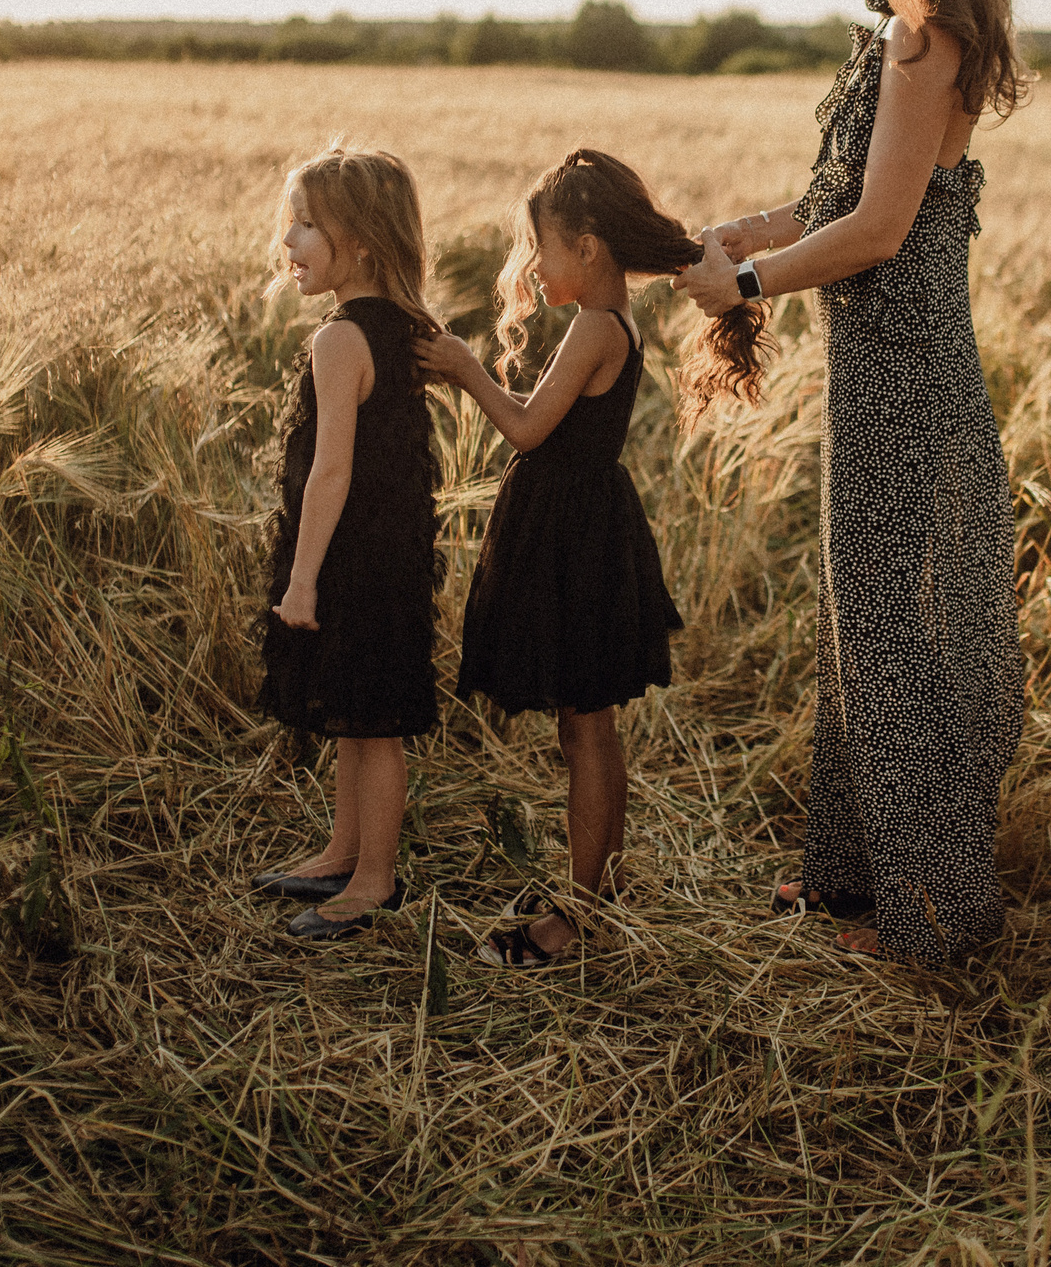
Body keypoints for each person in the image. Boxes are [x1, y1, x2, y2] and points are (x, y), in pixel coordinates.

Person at [676, 0, 1032, 966]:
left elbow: (877, 231)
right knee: (863, 624)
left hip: (909, 376)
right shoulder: (900, 37)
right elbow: (837, 199)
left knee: (894, 637)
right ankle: (849, 879)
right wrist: (739, 235)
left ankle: (931, 919)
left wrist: (748, 286)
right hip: (885, 370)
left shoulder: (923, 47)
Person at [416, 149, 767, 966]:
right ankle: (594, 898)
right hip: (592, 527)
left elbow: (530, 428)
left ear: (588, 248)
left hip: (569, 539)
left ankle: (575, 922)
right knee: (595, 728)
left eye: (542, 247)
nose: (532, 265)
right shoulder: (618, 321)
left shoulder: (593, 327)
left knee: (584, 733)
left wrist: (467, 369)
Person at [250, 146, 441, 944]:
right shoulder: (402, 329)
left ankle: (373, 880)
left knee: (374, 722)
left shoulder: (339, 341)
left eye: (304, 225)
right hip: (390, 552)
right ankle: (341, 850)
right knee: (360, 716)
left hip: (350, 557)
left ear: (358, 241)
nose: (286, 243)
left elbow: (330, 471)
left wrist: (301, 581)